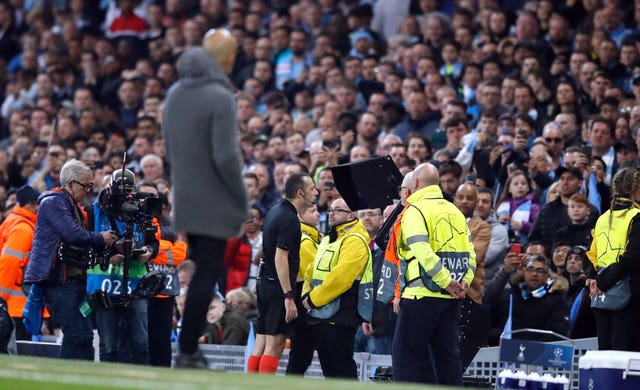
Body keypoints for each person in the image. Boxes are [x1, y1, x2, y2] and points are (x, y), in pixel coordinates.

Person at [162, 28, 249, 368]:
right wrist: (240, 201)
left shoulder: (174, 95)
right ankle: (187, 350)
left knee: (200, 270)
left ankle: (188, 347)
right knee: (207, 273)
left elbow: (169, 149)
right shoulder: (220, 96)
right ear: (225, 59)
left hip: (184, 196)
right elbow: (226, 157)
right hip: (212, 199)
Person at [23, 159, 117, 360]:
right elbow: (72, 234)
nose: (89, 191)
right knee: (77, 335)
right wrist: (102, 238)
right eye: (86, 186)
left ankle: (81, 379)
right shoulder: (53, 202)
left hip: (71, 280)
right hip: (58, 280)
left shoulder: (70, 204)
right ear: (70, 184)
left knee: (82, 336)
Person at [392, 163, 476, 385]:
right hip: (451, 299)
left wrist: (445, 281)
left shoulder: (415, 211)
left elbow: (422, 251)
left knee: (406, 361)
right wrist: (463, 282)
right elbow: (470, 253)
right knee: (447, 360)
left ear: (416, 183)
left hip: (421, 294)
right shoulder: (456, 211)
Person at [85, 169, 159, 364]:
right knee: (108, 347)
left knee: (141, 344)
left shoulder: (142, 213)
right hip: (105, 289)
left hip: (135, 287)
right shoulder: (93, 212)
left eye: (127, 196)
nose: (123, 203)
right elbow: (81, 245)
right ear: (109, 193)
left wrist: (149, 252)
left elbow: (154, 243)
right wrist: (106, 256)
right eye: (119, 197)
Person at [248, 173, 318, 374]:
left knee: (261, 342)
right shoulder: (290, 218)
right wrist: (289, 296)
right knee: (276, 343)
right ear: (300, 193)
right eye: (312, 188)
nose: (316, 192)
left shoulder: (274, 210)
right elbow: (281, 257)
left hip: (264, 283)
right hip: (276, 287)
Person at [302, 198, 373, 379]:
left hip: (341, 314)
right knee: (329, 370)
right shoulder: (328, 238)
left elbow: (341, 278)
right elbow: (311, 269)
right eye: (330, 210)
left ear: (351, 215)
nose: (331, 213)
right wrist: (306, 293)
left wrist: (312, 299)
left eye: (337, 210)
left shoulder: (355, 240)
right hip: (320, 313)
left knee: (342, 369)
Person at [588, 168, 640, 351]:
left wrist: (595, 280)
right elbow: (632, 258)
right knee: (625, 354)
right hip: (629, 294)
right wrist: (601, 282)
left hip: (601, 295)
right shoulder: (636, 217)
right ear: (637, 189)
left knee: (605, 350)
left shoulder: (602, 219)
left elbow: (594, 254)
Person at [141, 180, 188, 368]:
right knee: (140, 340)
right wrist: (165, 249)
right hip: (139, 290)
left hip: (165, 291)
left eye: (153, 196)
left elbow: (180, 254)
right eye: (144, 195)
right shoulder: (132, 222)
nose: (149, 200)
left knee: (162, 341)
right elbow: (138, 252)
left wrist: (154, 250)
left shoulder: (169, 223)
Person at [0, 185, 39, 340]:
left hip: (12, 305)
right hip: (15, 306)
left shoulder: (13, 222)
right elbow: (9, 264)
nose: (38, 208)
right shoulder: (23, 229)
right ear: (30, 204)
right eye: (37, 204)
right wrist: (1, 299)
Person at [286, 204, 320, 375]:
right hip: (303, 300)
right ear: (299, 216)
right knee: (301, 354)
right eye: (312, 211)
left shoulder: (311, 238)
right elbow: (315, 271)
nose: (318, 214)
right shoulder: (305, 240)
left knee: (301, 353)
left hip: (301, 298)